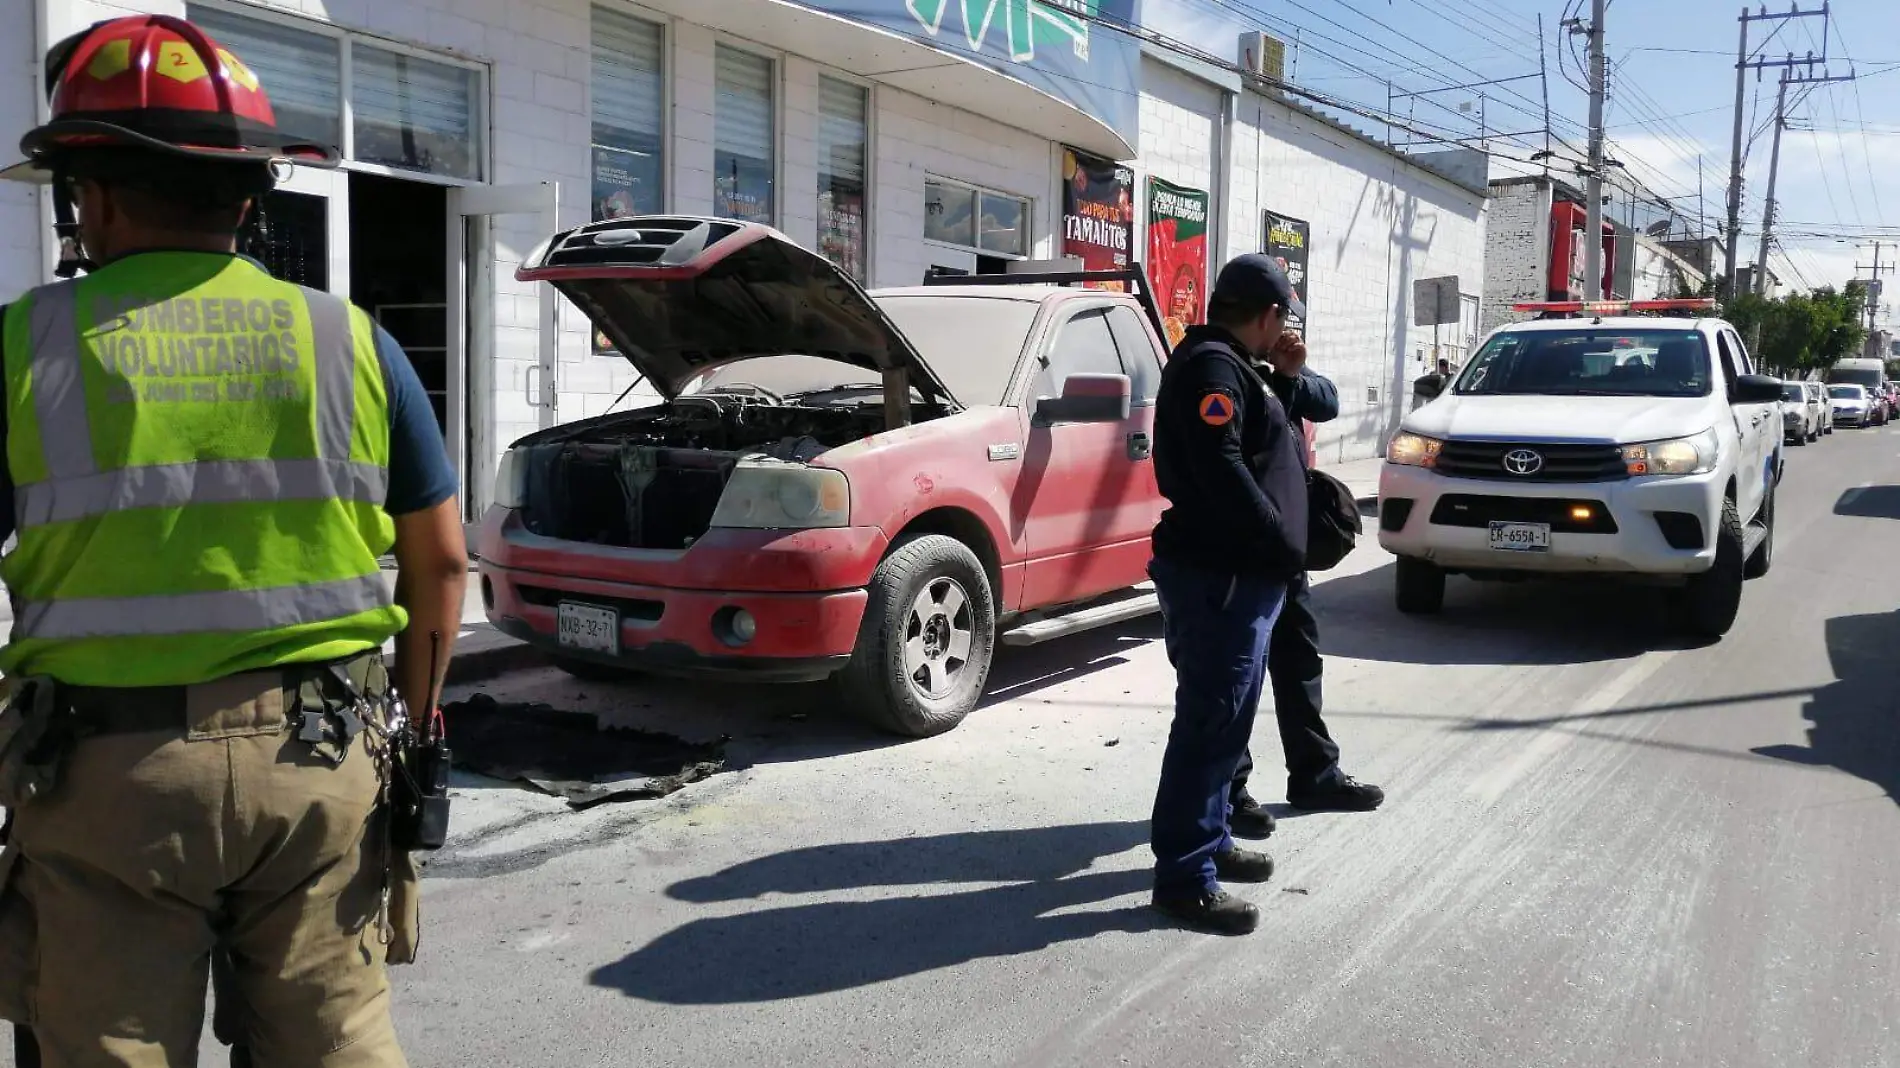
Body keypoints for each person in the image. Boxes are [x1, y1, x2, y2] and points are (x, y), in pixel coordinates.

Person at [0, 16, 467, 1067]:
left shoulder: (20, 347)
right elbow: (441, 562)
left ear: (95, 196)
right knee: (333, 1043)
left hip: (104, 778)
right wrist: (417, 733)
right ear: (249, 197)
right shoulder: (353, 341)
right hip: (321, 760)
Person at [1146, 254, 1312, 935]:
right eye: (1283, 318)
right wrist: (1277, 539)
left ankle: (1209, 841)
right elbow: (1220, 466)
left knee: (1228, 725)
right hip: (1224, 576)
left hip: (1243, 576)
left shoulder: (1236, 366)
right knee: (1210, 725)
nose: (1284, 330)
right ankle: (1185, 878)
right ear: (1267, 314)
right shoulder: (1215, 368)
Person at [1225, 341, 1385, 841]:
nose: (1284, 330)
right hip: (1246, 549)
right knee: (1237, 678)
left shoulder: (1279, 373)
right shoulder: (1229, 373)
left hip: (1287, 548)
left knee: (1299, 662)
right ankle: (1231, 793)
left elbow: (1328, 400)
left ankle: (1316, 775)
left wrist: (1291, 375)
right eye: (1278, 316)